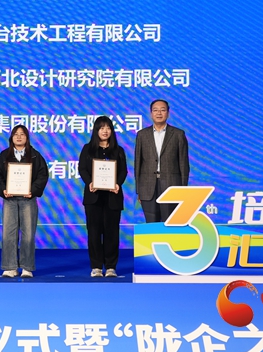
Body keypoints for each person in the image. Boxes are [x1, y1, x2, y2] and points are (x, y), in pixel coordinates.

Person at [0, 125, 49, 278]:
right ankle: (10, 267)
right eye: (16, 134)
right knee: (8, 234)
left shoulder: (35, 156)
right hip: (9, 199)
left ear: (27, 138)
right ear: (11, 137)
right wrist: (3, 190)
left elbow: (43, 175)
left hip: (28, 199)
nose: (19, 137)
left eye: (22, 134)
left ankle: (27, 267)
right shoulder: (5, 155)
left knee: (28, 234)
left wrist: (33, 191)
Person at [78, 116, 128, 278]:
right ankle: (96, 266)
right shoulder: (88, 149)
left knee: (112, 232)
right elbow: (82, 169)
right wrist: (90, 182)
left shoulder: (118, 150)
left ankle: (111, 266)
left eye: (108, 128)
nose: (105, 131)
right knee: (94, 232)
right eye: (101, 128)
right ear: (96, 130)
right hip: (93, 197)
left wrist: (118, 183)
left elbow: (123, 171)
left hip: (113, 197)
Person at [134, 99, 190, 222]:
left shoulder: (178, 134)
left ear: (168, 113)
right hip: (148, 187)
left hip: (171, 185)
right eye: (155, 110)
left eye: (162, 110)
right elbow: (138, 163)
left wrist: (183, 190)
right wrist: (139, 190)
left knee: (169, 224)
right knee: (151, 225)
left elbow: (184, 164)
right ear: (151, 113)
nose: (159, 113)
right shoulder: (142, 135)